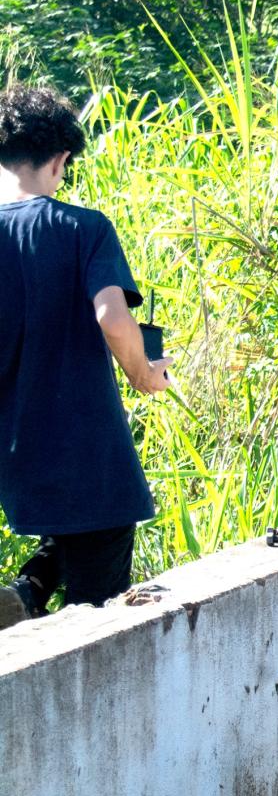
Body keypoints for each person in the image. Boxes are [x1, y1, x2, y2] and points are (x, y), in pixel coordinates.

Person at [0, 84, 172, 628]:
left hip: (17, 455)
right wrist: (144, 373)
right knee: (98, 621)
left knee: (70, 535)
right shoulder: (84, 228)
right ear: (60, 160)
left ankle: (25, 593)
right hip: (90, 454)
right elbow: (113, 320)